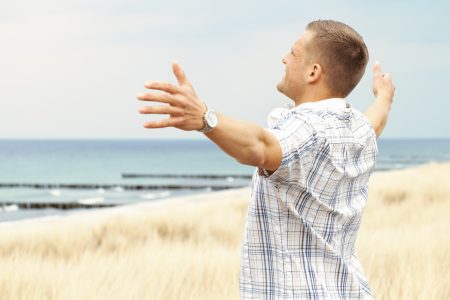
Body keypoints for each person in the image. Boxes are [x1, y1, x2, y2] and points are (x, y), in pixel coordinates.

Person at [137, 19, 395, 299]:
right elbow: (376, 120)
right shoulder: (356, 127)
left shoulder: (306, 129)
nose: (284, 58)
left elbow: (260, 146)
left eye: (293, 53)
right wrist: (384, 96)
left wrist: (205, 119)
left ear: (313, 72)